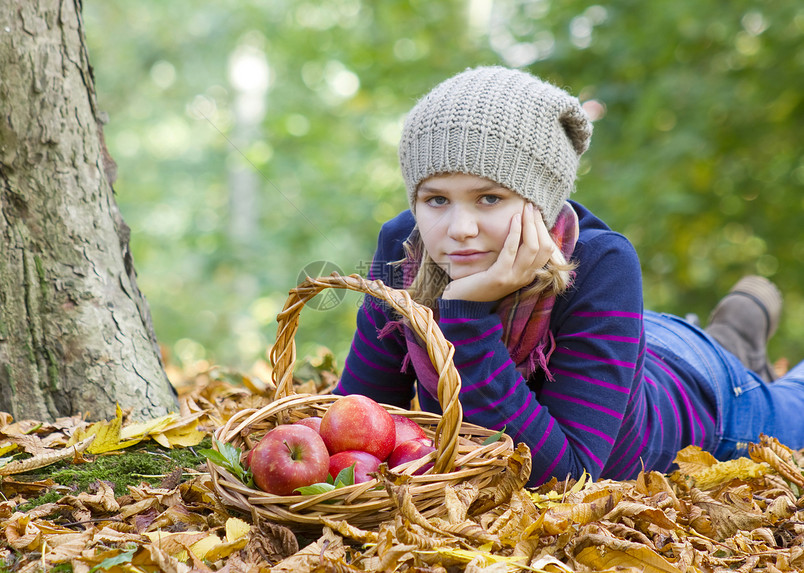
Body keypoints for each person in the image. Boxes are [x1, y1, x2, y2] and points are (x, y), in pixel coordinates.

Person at [334, 65, 804, 487]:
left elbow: (566, 476)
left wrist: (465, 312)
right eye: (437, 199)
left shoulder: (604, 264)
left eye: (490, 198)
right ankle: (736, 330)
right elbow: (360, 416)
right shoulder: (406, 248)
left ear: (539, 201)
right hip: (625, 345)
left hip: (699, 396)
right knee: (715, 342)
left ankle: (731, 344)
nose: (459, 229)